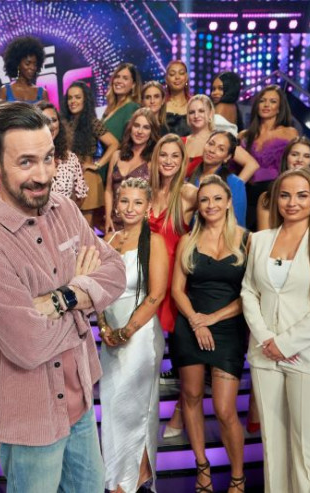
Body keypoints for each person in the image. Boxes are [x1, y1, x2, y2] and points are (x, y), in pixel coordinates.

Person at [0, 102, 125, 493]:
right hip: (30, 416)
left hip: (81, 403)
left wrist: (62, 299)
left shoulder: (64, 208)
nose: (43, 174)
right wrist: (84, 293)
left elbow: (116, 272)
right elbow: (28, 346)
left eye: (48, 158)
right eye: (26, 162)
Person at [241, 167, 310, 493]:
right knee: (274, 448)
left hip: (309, 355)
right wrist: (266, 339)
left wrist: (286, 343)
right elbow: (249, 292)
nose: (292, 203)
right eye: (285, 195)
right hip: (264, 355)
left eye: (302, 195)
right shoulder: (260, 240)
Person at [172, 175, 249, 493]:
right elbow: (177, 290)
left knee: (224, 409)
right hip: (190, 325)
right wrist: (196, 321)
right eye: (204, 200)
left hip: (229, 328)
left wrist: (212, 319)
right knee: (191, 396)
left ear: (229, 202)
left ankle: (237, 477)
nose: (210, 205)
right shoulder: (187, 241)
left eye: (217, 198)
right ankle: (202, 466)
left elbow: (250, 294)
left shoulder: (248, 240)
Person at [98, 177, 168, 493]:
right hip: (110, 338)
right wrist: (103, 327)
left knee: (135, 407)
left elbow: (156, 294)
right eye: (125, 201)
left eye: (137, 202)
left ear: (148, 207)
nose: (130, 208)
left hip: (140, 336)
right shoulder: (108, 241)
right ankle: (121, 477)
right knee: (113, 406)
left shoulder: (154, 242)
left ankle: (132, 479)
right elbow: (97, 290)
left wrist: (127, 331)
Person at [146, 134, 197, 435]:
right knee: (148, 354)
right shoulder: (146, 192)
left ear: (182, 161)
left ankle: (179, 413)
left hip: (176, 284)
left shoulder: (188, 194)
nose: (168, 161)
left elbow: (218, 212)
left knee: (182, 356)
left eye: (174, 156)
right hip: (148, 282)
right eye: (163, 155)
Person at [238, 85, 299, 230]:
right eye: (262, 101)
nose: (266, 105)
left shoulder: (290, 133)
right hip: (246, 194)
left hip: (273, 194)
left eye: (272, 101)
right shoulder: (244, 135)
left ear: (279, 108)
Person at [63, 81, 120, 226]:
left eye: (77, 97)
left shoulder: (92, 122)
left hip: (86, 177)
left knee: (86, 228)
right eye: (70, 98)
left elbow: (114, 144)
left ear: (85, 100)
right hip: (66, 177)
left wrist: (97, 164)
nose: (73, 101)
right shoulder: (63, 123)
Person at [104, 108, 159, 233]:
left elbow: (155, 196)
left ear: (152, 132)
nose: (140, 131)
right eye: (136, 125)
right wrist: (107, 217)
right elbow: (108, 190)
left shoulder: (153, 161)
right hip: (113, 222)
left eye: (146, 127)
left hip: (138, 223)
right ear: (130, 127)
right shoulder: (116, 156)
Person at [182, 95, 258, 181]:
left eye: (201, 111)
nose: (196, 116)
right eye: (192, 112)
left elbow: (252, 164)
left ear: (210, 113)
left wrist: (234, 186)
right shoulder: (181, 141)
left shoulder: (220, 140)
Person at [257, 136, 310, 231]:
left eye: (306, 156)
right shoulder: (268, 197)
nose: (300, 160)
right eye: (294, 154)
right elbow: (263, 236)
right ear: (286, 158)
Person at [189, 131, 247, 226]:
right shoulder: (189, 178)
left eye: (221, 149)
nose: (212, 150)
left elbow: (238, 224)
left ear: (227, 157)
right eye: (211, 144)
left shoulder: (235, 183)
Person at [36, 100, 88, 205]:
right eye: (44, 120)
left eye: (54, 120)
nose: (50, 125)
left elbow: (81, 195)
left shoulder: (70, 158)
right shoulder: (29, 158)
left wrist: (67, 213)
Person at [0, 36, 48, 103]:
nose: (32, 67)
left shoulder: (42, 93)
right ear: (17, 63)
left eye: (35, 64)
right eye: (27, 63)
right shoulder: (5, 91)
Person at [102, 63, 142, 143]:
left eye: (125, 78)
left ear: (133, 85)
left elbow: (129, 142)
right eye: (117, 77)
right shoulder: (110, 108)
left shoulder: (132, 108)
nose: (119, 81)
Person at [163, 60, 192, 136]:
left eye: (181, 73)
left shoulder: (194, 104)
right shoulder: (161, 105)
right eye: (172, 74)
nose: (177, 77)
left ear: (186, 77)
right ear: (166, 79)